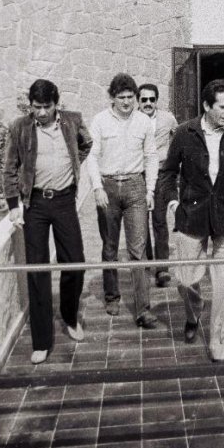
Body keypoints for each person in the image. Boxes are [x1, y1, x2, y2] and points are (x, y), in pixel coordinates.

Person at [159, 79, 224, 361]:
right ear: (206, 105)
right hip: (191, 214)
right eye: (222, 107)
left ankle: (220, 344)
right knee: (185, 279)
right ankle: (193, 312)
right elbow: (168, 172)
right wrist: (172, 201)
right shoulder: (184, 132)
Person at [3, 79, 93, 364]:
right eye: (36, 106)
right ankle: (41, 341)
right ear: (30, 105)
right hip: (36, 204)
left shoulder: (73, 121)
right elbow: (9, 168)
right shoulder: (20, 127)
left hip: (65, 201)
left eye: (46, 106)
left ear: (57, 104)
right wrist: (13, 206)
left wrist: (73, 166)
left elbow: (86, 144)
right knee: (38, 269)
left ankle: (70, 317)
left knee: (75, 262)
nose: (41, 112)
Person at [87, 73, 159, 328]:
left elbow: (151, 156)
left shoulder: (143, 122)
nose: (127, 102)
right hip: (108, 187)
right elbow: (92, 157)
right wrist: (97, 187)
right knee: (110, 246)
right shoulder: (100, 121)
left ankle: (143, 309)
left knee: (138, 250)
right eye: (121, 97)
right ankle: (112, 296)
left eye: (130, 97)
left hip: (136, 187)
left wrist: (150, 190)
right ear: (112, 98)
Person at [138, 83, 178, 288]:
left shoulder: (167, 118)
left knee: (160, 221)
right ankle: (146, 264)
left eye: (151, 99)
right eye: (144, 99)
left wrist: (173, 160)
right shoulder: (133, 120)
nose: (148, 103)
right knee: (140, 222)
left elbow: (178, 137)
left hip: (161, 174)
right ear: (138, 101)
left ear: (157, 100)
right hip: (139, 175)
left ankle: (162, 268)